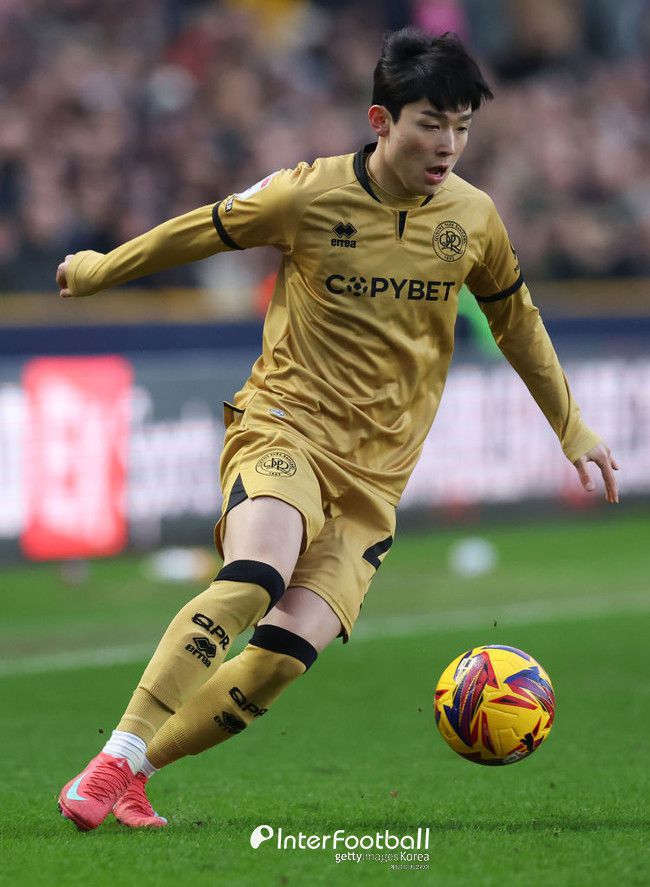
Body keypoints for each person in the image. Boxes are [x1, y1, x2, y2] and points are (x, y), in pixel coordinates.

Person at [56, 28, 619, 832]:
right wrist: (100, 268)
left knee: (280, 661)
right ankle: (113, 755)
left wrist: (572, 425)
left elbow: (516, 321)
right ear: (381, 120)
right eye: (431, 123)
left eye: (462, 127)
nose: (448, 144)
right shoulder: (308, 194)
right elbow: (201, 227)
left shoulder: (474, 218)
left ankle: (137, 773)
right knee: (255, 575)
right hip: (285, 427)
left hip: (374, 483)